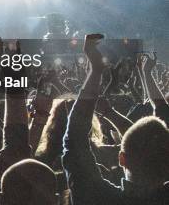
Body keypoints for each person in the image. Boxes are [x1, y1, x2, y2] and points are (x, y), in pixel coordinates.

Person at [62, 34, 169, 204]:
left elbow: (74, 140)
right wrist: (146, 73)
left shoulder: (100, 198)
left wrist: (95, 71)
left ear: (122, 159)